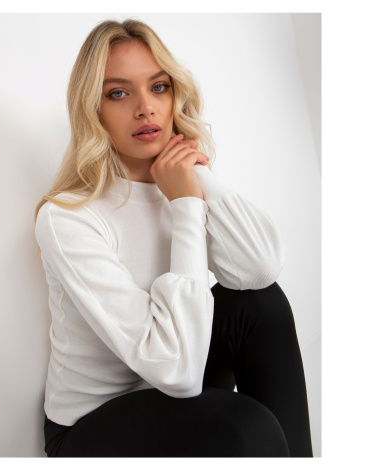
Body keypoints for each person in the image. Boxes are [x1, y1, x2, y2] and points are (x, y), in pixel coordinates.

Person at [34, 18, 313, 457]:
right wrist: (185, 205)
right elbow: (177, 372)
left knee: (262, 304)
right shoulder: (68, 217)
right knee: (249, 426)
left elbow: (260, 269)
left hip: (175, 374)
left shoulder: (178, 184)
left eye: (159, 87)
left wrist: (197, 175)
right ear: (93, 110)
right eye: (119, 93)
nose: (146, 108)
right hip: (93, 424)